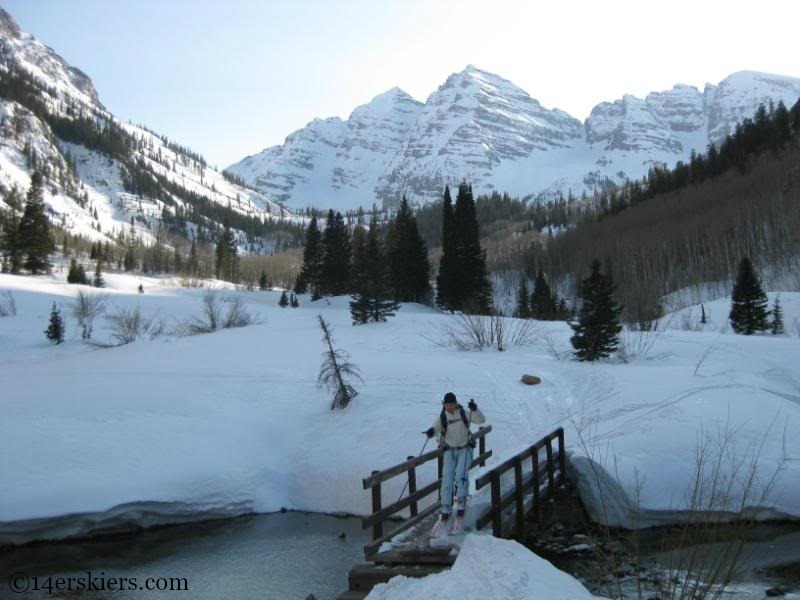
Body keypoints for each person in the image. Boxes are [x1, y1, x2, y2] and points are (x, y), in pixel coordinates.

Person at [425, 392, 486, 523]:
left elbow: (481, 420)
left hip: (464, 448)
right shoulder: (443, 416)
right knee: (447, 477)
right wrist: (431, 431)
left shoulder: (463, 413)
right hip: (449, 450)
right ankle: (446, 505)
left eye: (451, 404)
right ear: (444, 404)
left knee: (460, 475)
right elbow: (436, 427)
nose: (450, 407)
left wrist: (475, 409)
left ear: (456, 403)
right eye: (447, 405)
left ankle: (462, 501)